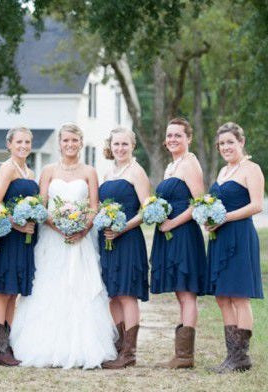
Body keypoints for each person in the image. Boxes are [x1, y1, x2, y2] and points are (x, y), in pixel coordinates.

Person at [10, 123, 117, 369]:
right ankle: (43, 345)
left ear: (81, 143)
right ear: (60, 143)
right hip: (52, 237)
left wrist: (82, 229)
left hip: (81, 241)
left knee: (80, 288)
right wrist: (59, 226)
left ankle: (82, 347)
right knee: (49, 286)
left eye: (75, 140)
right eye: (66, 140)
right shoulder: (48, 170)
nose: (70, 144)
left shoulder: (90, 171)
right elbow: (41, 205)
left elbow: (93, 206)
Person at [206, 122, 264, 373]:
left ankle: (242, 357)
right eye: (221, 144)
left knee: (239, 296)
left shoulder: (251, 169)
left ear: (241, 142)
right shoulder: (222, 171)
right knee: (222, 296)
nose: (226, 147)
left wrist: (225, 218)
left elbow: (257, 205)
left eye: (230, 142)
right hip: (219, 237)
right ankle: (232, 355)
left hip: (239, 235)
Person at [150, 117, 206, 369]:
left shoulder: (190, 164)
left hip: (183, 235)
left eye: (178, 135)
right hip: (169, 235)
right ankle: (181, 353)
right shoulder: (172, 166)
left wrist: (172, 223)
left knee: (186, 292)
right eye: (169, 135)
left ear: (188, 138)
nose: (172, 139)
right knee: (179, 292)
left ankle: (185, 356)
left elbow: (199, 202)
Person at [98, 128, 150, 369]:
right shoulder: (108, 172)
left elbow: (146, 210)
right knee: (112, 294)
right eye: (116, 144)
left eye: (125, 144)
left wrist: (122, 228)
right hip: (106, 240)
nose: (120, 148)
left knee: (127, 294)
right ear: (111, 145)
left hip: (127, 239)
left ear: (132, 146)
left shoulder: (137, 172)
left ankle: (129, 353)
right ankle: (119, 347)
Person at [0, 126, 38, 366]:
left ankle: (8, 344)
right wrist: (16, 224)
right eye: (19, 142)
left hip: (26, 241)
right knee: (3, 291)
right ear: (9, 144)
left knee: (14, 292)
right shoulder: (7, 168)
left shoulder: (29, 171)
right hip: (10, 238)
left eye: (27, 142)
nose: (23, 146)